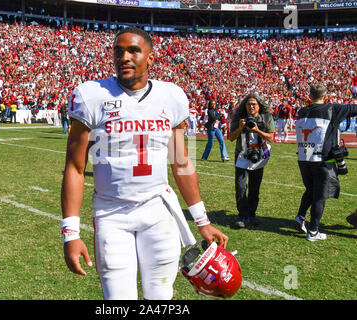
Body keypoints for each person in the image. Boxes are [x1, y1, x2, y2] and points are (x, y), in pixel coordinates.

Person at [61, 27, 229, 300]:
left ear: (151, 58)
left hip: (158, 211)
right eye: (118, 51)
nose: (124, 57)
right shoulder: (91, 95)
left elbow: (181, 162)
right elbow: (75, 168)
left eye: (133, 50)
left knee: (160, 296)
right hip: (111, 213)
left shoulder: (171, 96)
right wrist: (70, 232)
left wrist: (203, 221)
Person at [294, 84, 357, 241]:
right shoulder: (332, 109)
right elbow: (353, 109)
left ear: (309, 96)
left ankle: (300, 217)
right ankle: (313, 231)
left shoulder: (302, 111)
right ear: (326, 97)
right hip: (323, 161)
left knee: (310, 190)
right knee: (320, 196)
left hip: (304, 159)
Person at [229, 94, 275, 228]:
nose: (251, 107)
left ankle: (252, 214)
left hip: (259, 158)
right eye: (248, 104)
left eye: (254, 104)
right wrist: (240, 128)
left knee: (255, 188)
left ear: (259, 106)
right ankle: (242, 215)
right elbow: (231, 138)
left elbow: (271, 137)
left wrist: (257, 130)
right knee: (241, 187)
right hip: (242, 157)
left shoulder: (266, 118)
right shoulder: (238, 118)